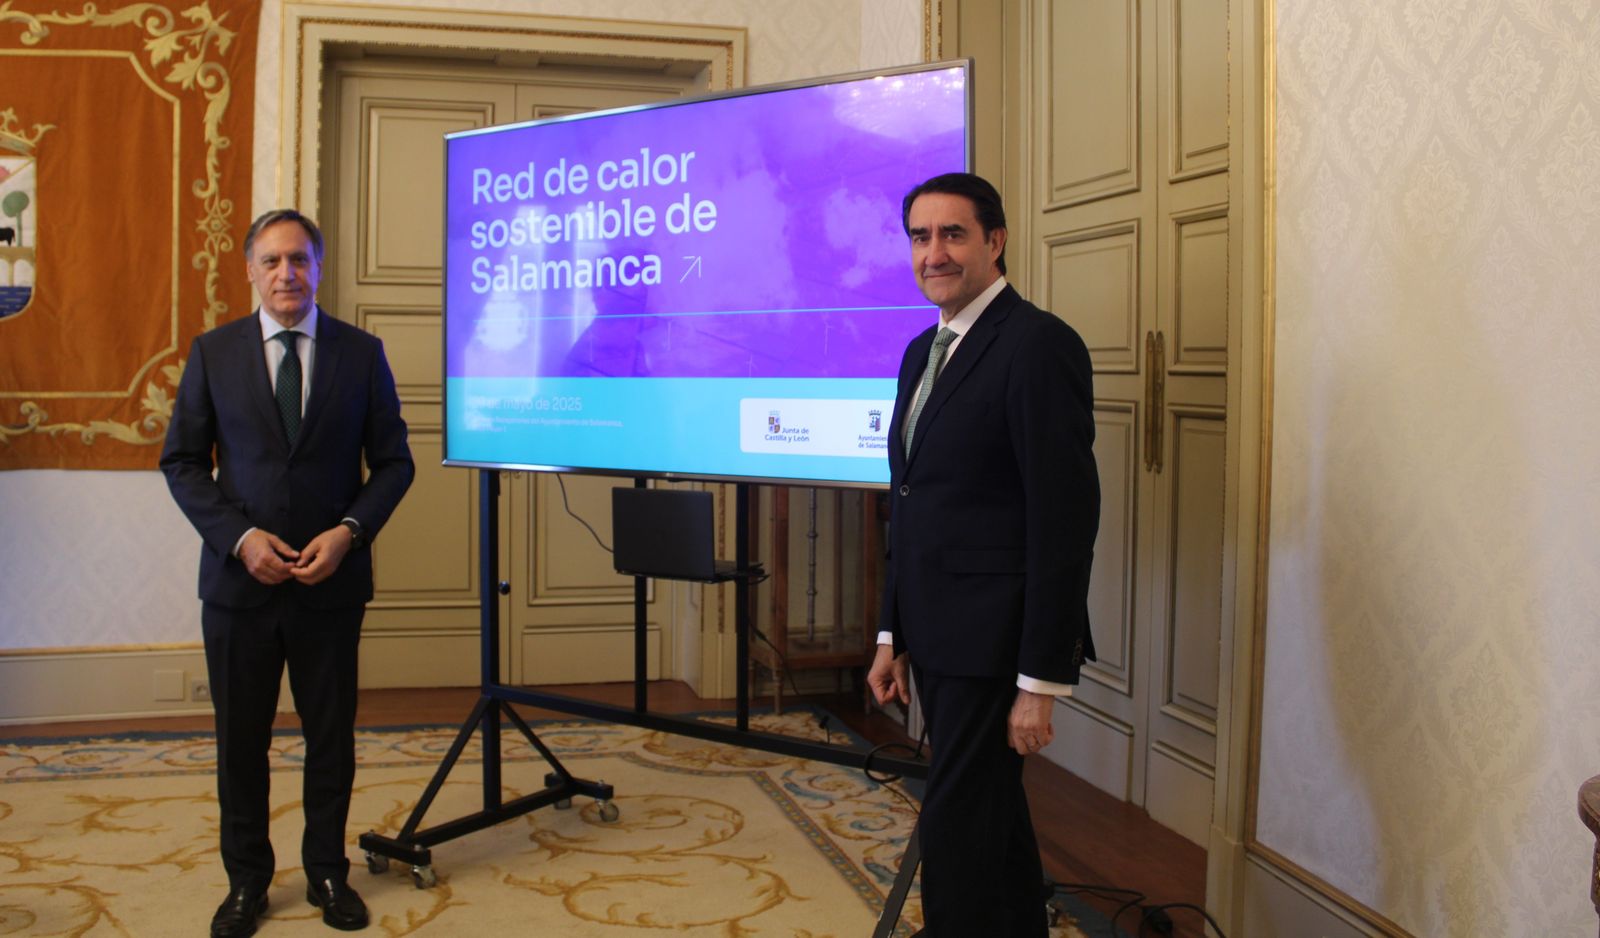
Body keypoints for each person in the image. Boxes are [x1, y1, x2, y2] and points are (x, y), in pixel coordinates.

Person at [161, 209, 414, 937]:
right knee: (241, 742)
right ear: (249, 270)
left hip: (330, 585)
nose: (286, 274)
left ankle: (328, 871)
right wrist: (240, 539)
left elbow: (394, 463)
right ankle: (246, 881)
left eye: (299, 259)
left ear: (318, 268)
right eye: (271, 260)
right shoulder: (213, 353)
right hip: (238, 588)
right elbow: (183, 462)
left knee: (329, 738)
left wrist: (349, 533)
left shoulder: (362, 354)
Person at [867, 173, 1099, 936]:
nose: (933, 253)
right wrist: (891, 632)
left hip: (996, 642)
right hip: (936, 633)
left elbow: (1063, 521)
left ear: (995, 242)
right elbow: (911, 503)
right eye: (920, 236)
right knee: (989, 814)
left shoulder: (1038, 345)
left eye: (953, 234)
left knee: (957, 825)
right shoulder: (920, 352)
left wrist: (1040, 681)